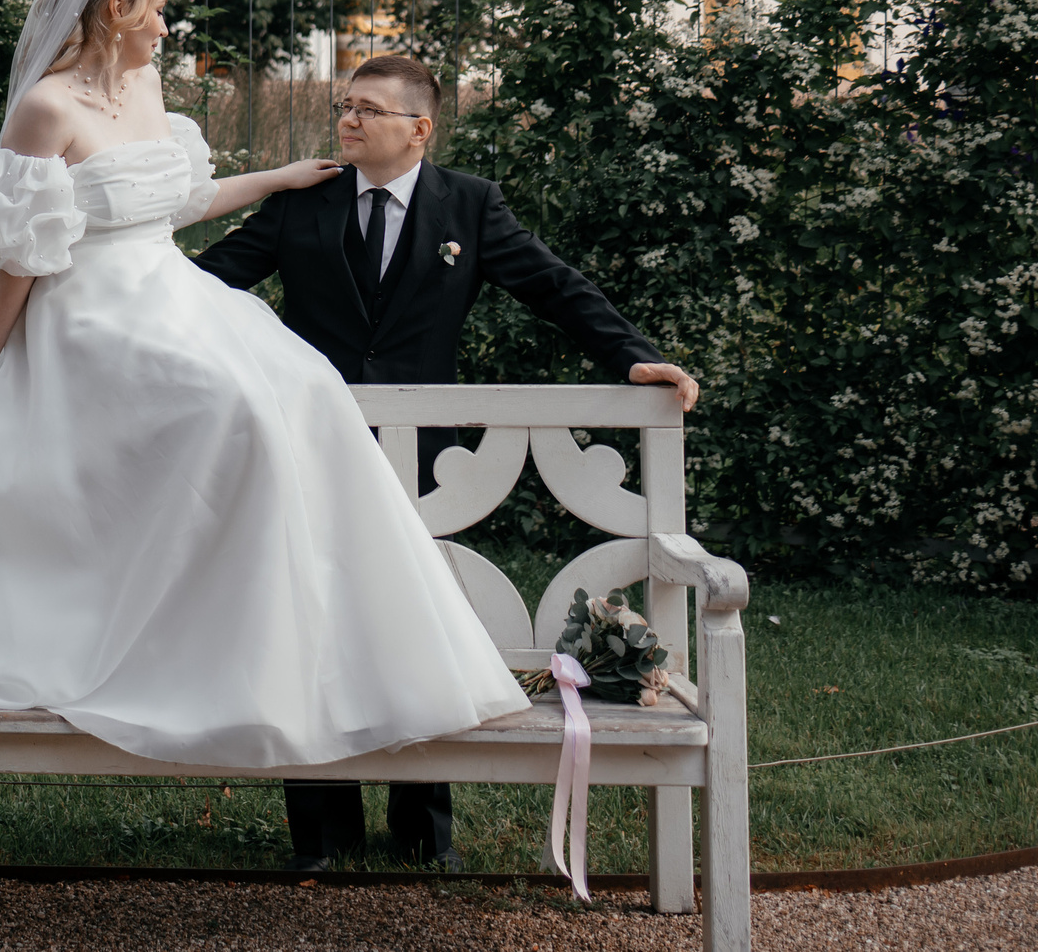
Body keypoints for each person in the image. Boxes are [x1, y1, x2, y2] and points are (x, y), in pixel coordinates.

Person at [0, 0, 529, 780]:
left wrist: (277, 178)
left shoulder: (145, 85)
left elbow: (180, 201)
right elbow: (21, 252)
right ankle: (211, 647)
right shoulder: (47, 108)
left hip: (168, 289)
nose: (166, 26)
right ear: (117, 10)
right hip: (91, 313)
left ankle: (330, 649)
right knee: (230, 407)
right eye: (156, 9)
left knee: (306, 385)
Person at [195, 50, 699, 871]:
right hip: (310, 453)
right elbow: (209, 286)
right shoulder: (303, 203)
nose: (347, 120)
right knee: (307, 625)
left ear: (419, 128)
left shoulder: (469, 204)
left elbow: (554, 286)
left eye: (367, 108)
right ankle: (323, 838)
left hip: (424, 464)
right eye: (344, 105)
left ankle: (425, 836)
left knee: (412, 625)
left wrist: (632, 357)